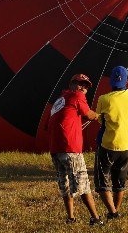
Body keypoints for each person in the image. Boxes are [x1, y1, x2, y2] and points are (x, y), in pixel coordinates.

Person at [47, 74, 103, 226]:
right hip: (70, 148)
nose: (83, 87)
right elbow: (88, 114)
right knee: (83, 184)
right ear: (72, 84)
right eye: (80, 83)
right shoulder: (77, 96)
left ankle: (70, 218)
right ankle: (95, 218)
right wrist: (100, 116)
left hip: (56, 149)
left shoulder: (60, 99)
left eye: (85, 85)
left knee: (64, 184)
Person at [94, 66, 128, 219]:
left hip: (107, 145)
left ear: (111, 81)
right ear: (127, 81)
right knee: (120, 182)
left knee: (102, 181)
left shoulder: (104, 99)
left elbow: (100, 120)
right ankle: (115, 211)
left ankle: (112, 212)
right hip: (126, 145)